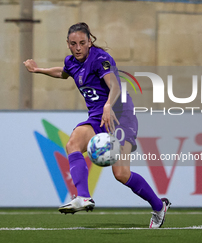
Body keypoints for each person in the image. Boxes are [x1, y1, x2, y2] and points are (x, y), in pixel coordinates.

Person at [24, 22, 170, 228]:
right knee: (72, 143)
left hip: (120, 115)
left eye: (82, 43)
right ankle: (83, 197)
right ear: (68, 44)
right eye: (73, 43)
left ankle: (158, 206)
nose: (78, 48)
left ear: (90, 42)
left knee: (121, 174)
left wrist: (109, 104)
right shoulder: (72, 62)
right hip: (97, 117)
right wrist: (38, 70)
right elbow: (63, 73)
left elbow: (115, 86)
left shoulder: (100, 59)